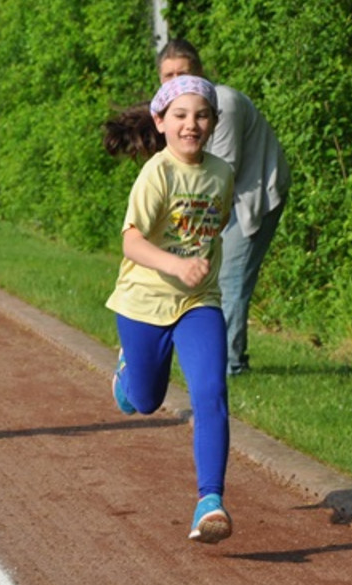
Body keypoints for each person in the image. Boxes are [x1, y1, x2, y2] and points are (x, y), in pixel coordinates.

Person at [103, 76, 235, 544]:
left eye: (201, 115)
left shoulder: (222, 173)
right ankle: (127, 374)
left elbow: (214, 229)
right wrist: (178, 265)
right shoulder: (156, 174)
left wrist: (197, 272)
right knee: (145, 401)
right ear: (160, 122)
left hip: (199, 303)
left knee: (211, 392)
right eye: (180, 116)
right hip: (143, 301)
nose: (191, 124)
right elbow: (132, 241)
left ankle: (210, 501)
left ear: (214, 122)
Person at [157, 39, 290, 377]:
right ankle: (207, 355)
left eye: (182, 73)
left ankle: (230, 365)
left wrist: (190, 225)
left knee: (229, 279)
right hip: (216, 199)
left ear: (200, 73)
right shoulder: (175, 111)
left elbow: (223, 172)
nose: (175, 81)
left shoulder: (224, 103)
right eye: (167, 75)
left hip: (253, 194)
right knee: (200, 275)